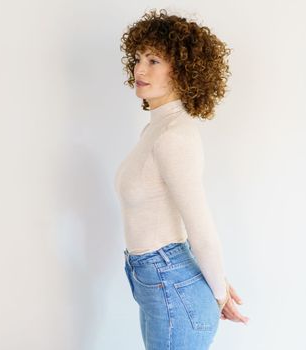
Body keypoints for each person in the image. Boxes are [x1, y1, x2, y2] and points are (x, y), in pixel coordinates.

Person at [115, 8, 249, 349]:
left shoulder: (173, 136)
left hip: (170, 282)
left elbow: (200, 224)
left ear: (184, 71)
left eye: (154, 60)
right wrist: (213, 278)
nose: (140, 69)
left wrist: (218, 292)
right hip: (158, 278)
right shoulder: (157, 128)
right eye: (139, 58)